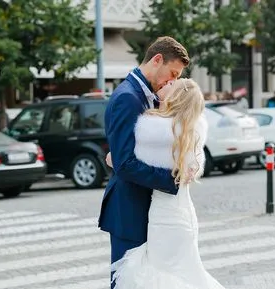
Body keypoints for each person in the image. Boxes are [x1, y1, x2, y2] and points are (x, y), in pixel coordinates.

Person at [110, 78, 225, 289]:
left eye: (173, 84)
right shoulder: (190, 130)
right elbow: (193, 168)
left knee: (166, 275)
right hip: (183, 212)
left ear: (176, 97)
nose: (168, 82)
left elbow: (126, 162)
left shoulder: (154, 131)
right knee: (185, 273)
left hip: (165, 215)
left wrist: (113, 159)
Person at [98, 36, 190, 289]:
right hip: (129, 208)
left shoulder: (149, 96)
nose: (171, 81)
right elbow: (125, 163)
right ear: (157, 59)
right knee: (127, 280)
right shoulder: (128, 97)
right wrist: (173, 179)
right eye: (171, 73)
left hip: (148, 207)